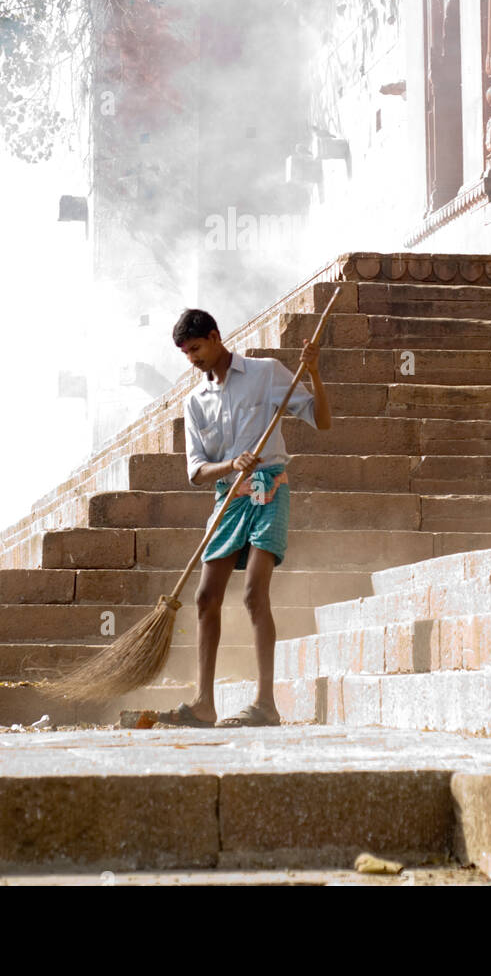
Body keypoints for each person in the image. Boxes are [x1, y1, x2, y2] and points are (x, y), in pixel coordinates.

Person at [158, 307, 332, 727]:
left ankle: (265, 704)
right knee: (205, 597)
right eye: (186, 353)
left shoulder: (265, 372)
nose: (192, 359)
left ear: (215, 337)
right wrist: (231, 464)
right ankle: (204, 704)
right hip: (228, 496)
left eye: (196, 349)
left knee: (255, 593)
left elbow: (322, 420)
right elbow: (196, 471)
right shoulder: (195, 402)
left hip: (269, 490)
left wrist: (313, 372)